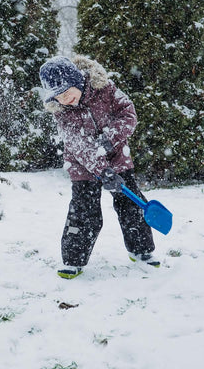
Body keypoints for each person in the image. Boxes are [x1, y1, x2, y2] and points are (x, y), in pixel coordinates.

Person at [38, 55, 159, 279]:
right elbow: (77, 145)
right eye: (59, 97)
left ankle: (141, 250)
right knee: (84, 212)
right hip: (83, 164)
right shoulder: (62, 112)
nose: (66, 100)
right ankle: (73, 261)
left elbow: (129, 114)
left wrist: (109, 138)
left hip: (117, 157)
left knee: (131, 205)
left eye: (68, 93)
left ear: (77, 80)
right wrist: (102, 170)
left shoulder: (106, 88)